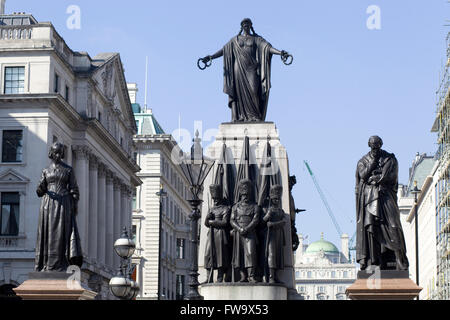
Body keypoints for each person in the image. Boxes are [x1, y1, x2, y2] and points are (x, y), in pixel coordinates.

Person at [200, 18, 291, 122]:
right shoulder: (235, 40)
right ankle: (240, 116)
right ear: (241, 27)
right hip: (238, 68)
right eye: (244, 24)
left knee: (254, 90)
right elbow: (224, 50)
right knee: (238, 94)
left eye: (247, 24)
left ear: (251, 26)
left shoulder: (256, 39)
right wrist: (211, 57)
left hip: (252, 69)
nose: (246, 26)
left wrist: (281, 53)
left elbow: (267, 48)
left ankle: (255, 116)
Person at [355, 136, 409, 271]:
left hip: (386, 196)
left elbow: (392, 177)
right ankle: (375, 261)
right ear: (369, 145)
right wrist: (373, 163)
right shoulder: (363, 161)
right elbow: (363, 175)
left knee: (394, 226)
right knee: (371, 228)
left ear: (381, 144)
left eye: (377, 145)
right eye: (373, 145)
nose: (375, 148)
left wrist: (377, 178)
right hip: (369, 199)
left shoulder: (390, 159)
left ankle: (399, 259)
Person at [35, 142, 83, 272]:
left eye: (59, 152)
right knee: (47, 234)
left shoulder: (68, 170)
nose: (57, 155)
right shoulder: (45, 170)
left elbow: (74, 189)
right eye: (55, 152)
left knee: (62, 234)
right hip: (48, 205)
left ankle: (62, 263)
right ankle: (45, 263)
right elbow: (39, 191)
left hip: (63, 205)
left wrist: (74, 205)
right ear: (51, 153)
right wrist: (41, 187)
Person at [230, 179, 261, 282]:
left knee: (251, 254)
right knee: (240, 255)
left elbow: (256, 220)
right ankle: (243, 276)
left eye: (247, 195)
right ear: (240, 195)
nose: (245, 197)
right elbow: (232, 220)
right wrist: (239, 228)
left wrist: (247, 229)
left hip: (250, 232)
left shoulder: (255, 207)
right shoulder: (235, 207)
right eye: (243, 196)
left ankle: (251, 275)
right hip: (239, 232)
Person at [204, 184, 232, 283]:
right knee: (208, 255)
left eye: (216, 198)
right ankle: (208, 277)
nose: (215, 200)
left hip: (220, 234)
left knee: (220, 256)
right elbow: (206, 224)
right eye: (213, 199)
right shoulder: (211, 209)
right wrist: (208, 217)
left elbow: (225, 222)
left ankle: (220, 277)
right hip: (211, 235)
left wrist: (212, 222)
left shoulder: (226, 208)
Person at [261, 185, 286, 283]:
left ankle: (275, 275)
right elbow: (262, 222)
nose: (276, 200)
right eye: (274, 199)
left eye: (278, 199)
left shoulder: (281, 211)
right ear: (271, 199)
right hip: (270, 235)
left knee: (278, 255)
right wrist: (268, 216)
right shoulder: (268, 210)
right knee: (271, 254)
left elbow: (283, 222)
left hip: (278, 235)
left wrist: (273, 224)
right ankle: (270, 276)